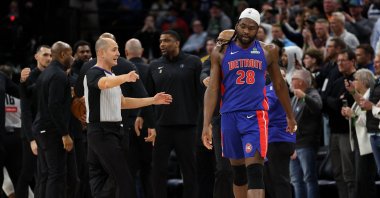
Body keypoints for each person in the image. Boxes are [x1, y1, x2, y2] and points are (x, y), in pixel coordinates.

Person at [202, 8, 297, 198]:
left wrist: (290, 115)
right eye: (243, 26)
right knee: (237, 173)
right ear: (236, 25)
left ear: (258, 29)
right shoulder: (219, 52)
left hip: (255, 115)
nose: (246, 31)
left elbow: (279, 85)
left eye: (252, 28)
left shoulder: (268, 50)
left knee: (254, 170)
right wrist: (206, 125)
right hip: (228, 116)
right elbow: (212, 90)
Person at [84, 37, 172, 198]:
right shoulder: (94, 72)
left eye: (118, 49)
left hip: (112, 131)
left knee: (107, 181)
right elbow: (103, 84)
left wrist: (153, 100)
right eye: (114, 49)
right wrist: (125, 77)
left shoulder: (110, 75)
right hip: (102, 132)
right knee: (124, 181)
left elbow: (123, 103)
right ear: (101, 53)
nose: (118, 53)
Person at [142, 30, 202, 198]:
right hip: (161, 127)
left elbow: (201, 96)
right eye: (161, 41)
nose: (162, 44)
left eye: (167, 40)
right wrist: (147, 121)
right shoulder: (153, 65)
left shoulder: (194, 62)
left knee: (189, 171)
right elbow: (147, 98)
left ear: (177, 43)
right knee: (158, 170)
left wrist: (206, 123)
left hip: (188, 126)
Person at [33, 41, 74, 198]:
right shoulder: (58, 75)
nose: (72, 58)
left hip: (42, 128)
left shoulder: (45, 73)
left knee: (46, 175)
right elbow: (54, 106)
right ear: (63, 54)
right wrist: (65, 133)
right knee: (56, 175)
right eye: (70, 54)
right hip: (51, 131)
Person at [200, 29, 235, 198]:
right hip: (221, 118)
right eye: (218, 41)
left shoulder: (248, 57)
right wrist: (205, 78)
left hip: (246, 117)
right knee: (223, 169)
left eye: (224, 41)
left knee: (247, 168)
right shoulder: (214, 57)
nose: (220, 44)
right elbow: (205, 71)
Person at [18, 45, 52, 198]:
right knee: (27, 174)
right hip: (31, 133)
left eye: (50, 55)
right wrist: (31, 139)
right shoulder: (29, 77)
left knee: (45, 174)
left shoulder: (53, 75)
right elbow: (25, 111)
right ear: (36, 57)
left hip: (47, 132)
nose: (48, 58)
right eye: (45, 55)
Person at [124, 38, 153, 198]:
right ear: (141, 52)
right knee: (148, 170)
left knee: (128, 171)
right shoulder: (150, 69)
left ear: (126, 52)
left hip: (126, 126)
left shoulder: (120, 69)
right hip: (148, 125)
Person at [264, 67, 296, 198]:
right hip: (276, 139)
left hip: (277, 139)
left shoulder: (274, 88)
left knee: (279, 181)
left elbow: (266, 107)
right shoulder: (274, 89)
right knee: (271, 181)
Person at [290, 69, 322, 198]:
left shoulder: (312, 93)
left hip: (307, 144)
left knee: (309, 178)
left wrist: (304, 97)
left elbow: (317, 107)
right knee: (296, 180)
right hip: (294, 145)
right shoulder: (294, 98)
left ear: (301, 82)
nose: (291, 82)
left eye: (293, 79)